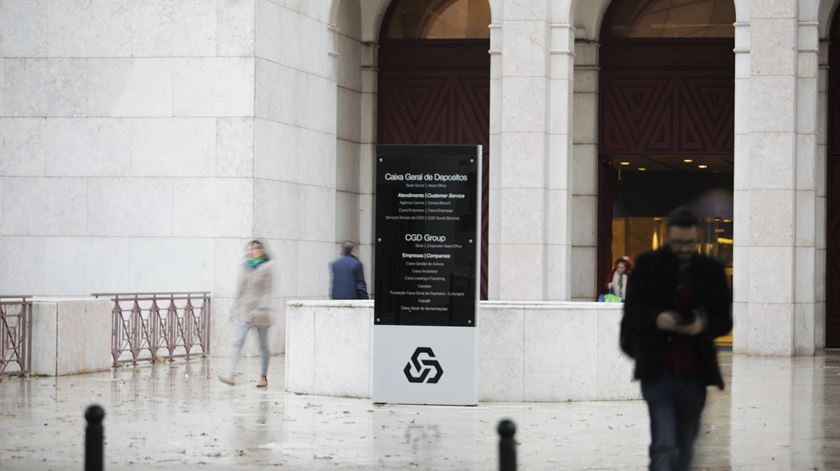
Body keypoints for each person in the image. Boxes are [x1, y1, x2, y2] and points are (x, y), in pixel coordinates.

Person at [620, 207, 732, 471]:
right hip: (657, 370)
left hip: (694, 373)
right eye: (678, 243)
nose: (684, 249)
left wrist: (701, 325)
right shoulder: (647, 266)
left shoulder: (710, 271)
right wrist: (657, 319)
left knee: (685, 447)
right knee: (664, 443)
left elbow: (723, 320)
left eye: (690, 243)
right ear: (668, 237)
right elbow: (632, 315)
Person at [219, 240, 275, 388]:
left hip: (261, 313)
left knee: (263, 346)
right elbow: (240, 288)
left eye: (256, 248)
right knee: (237, 341)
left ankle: (263, 376)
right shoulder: (245, 266)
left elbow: (268, 291)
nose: (252, 251)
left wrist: (262, 308)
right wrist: (234, 308)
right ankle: (230, 374)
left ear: (262, 250)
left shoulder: (267, 267)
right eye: (250, 248)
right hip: (245, 311)